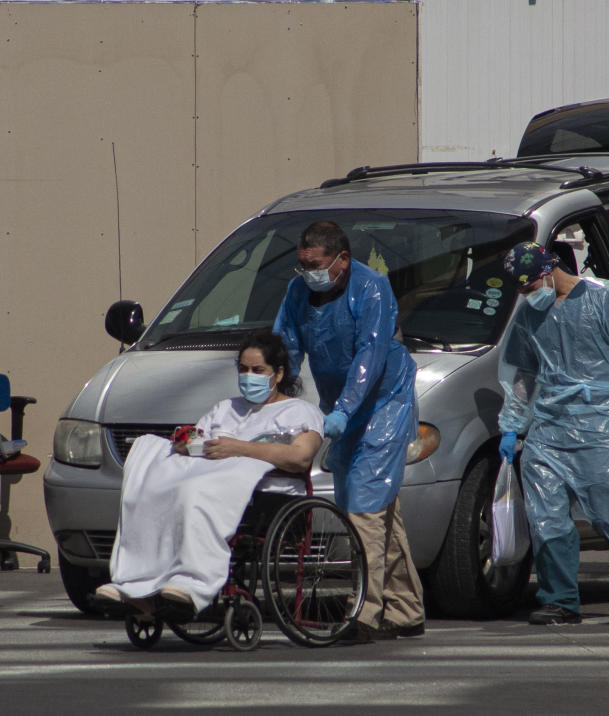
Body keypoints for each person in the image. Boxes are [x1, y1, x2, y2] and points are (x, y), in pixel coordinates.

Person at [497, 241, 609, 625]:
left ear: (548, 270)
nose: (529, 296)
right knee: (546, 516)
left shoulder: (603, 298)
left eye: (530, 287)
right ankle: (559, 599)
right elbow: (524, 374)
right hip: (548, 428)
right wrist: (513, 424)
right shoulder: (529, 316)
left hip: (597, 425)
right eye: (522, 291)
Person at [93, 329, 325, 618]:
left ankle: (194, 582)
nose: (248, 375)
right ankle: (135, 582)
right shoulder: (225, 408)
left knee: (192, 492)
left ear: (278, 374)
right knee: (150, 466)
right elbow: (199, 438)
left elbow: (300, 457)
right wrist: (187, 443)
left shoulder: (299, 411)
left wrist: (238, 448)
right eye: (243, 369)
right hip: (208, 476)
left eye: (257, 370)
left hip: (265, 494)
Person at [273, 219, 424, 643]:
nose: (309, 273)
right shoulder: (299, 291)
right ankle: (405, 608)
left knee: (363, 510)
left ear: (342, 259)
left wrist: (342, 410)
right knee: (373, 509)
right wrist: (274, 402)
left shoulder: (372, 288)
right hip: (341, 409)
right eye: (303, 265)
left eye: (316, 265)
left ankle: (364, 613)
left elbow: (369, 355)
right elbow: (284, 345)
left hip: (383, 403)